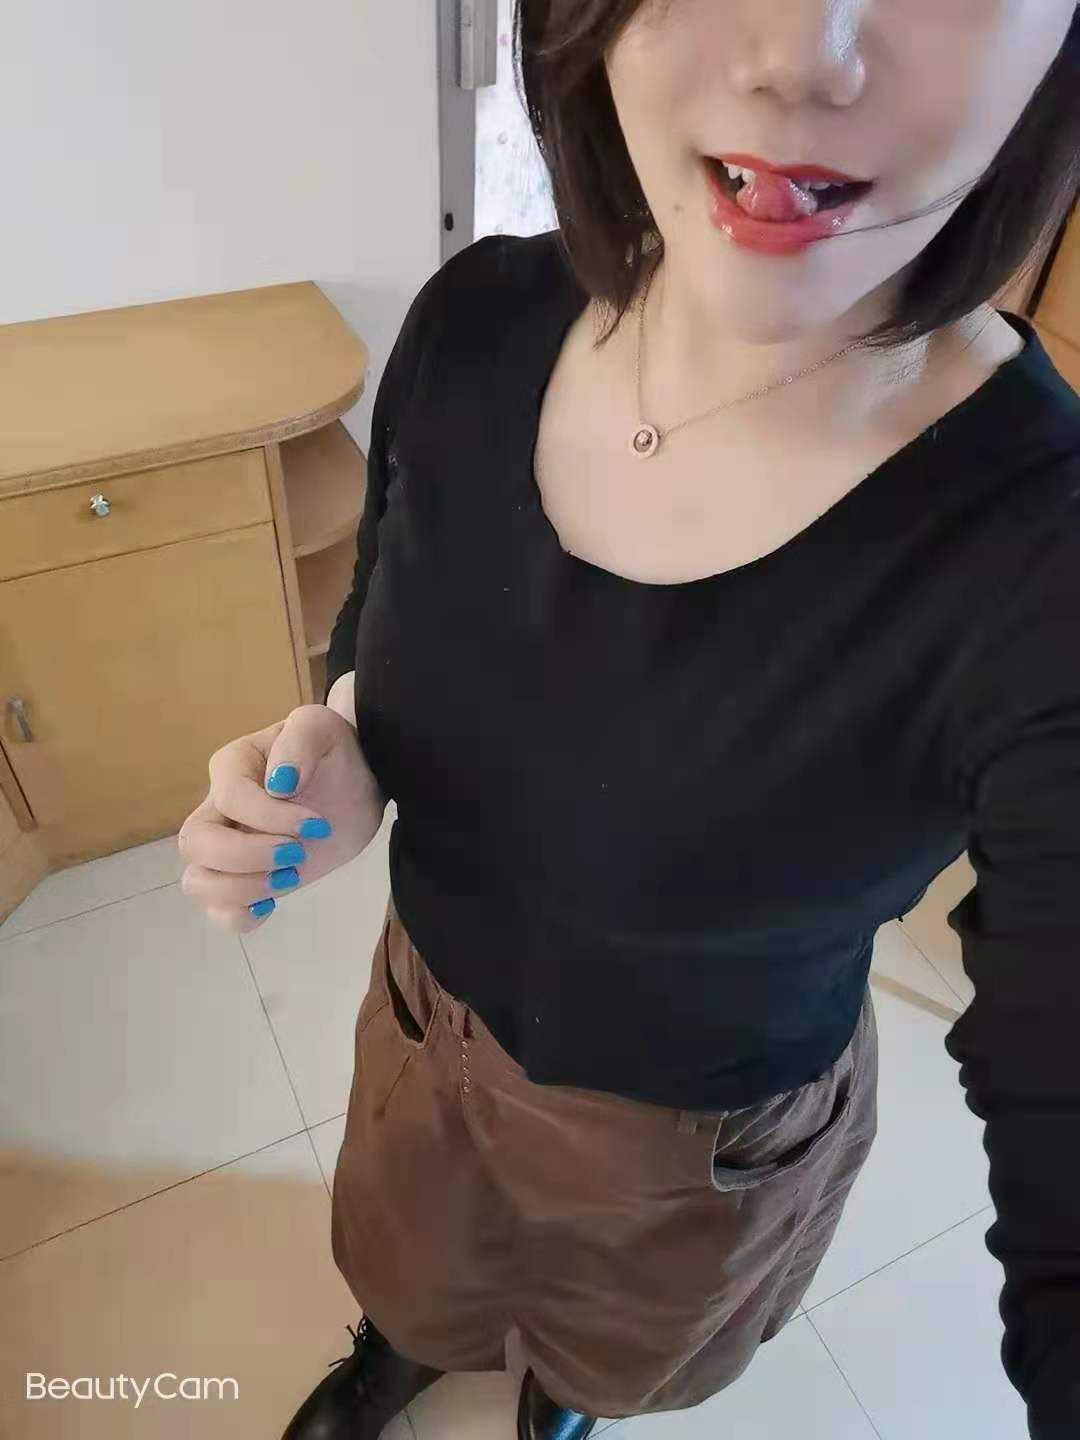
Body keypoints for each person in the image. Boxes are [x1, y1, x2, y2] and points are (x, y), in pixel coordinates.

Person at [178, 2, 1080, 1437]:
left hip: (697, 1133)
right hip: (425, 1016)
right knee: (417, 1265)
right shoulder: (474, 319)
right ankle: (403, 1346)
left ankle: (561, 1400)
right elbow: (382, 598)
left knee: (609, 1345)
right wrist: (347, 735)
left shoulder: (1042, 553)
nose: (800, 55)